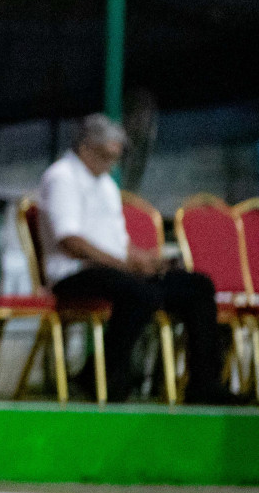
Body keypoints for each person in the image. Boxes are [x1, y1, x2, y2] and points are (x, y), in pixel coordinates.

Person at [40, 114, 234, 404]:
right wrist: (126, 266)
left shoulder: (105, 184)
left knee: (197, 286)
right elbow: (71, 242)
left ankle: (204, 383)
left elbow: (119, 242)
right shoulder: (62, 177)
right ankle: (104, 372)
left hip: (115, 271)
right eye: (106, 156)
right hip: (73, 273)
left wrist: (149, 260)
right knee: (141, 293)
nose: (111, 164)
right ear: (85, 147)